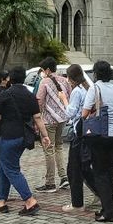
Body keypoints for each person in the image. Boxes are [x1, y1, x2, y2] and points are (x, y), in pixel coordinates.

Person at [0, 66, 51, 216]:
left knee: (11, 169)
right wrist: (45, 136)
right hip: (23, 137)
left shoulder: (5, 95)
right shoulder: (30, 95)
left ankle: (30, 201)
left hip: (8, 136)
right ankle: (1, 202)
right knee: (4, 166)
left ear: (10, 79)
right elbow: (37, 117)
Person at [82, 60, 113, 223]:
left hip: (100, 135)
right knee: (110, 172)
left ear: (96, 73)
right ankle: (106, 207)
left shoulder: (95, 88)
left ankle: (109, 211)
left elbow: (84, 113)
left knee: (99, 173)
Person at [62, 64, 95, 213]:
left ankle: (77, 203)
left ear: (71, 78)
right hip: (88, 131)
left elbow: (70, 112)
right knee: (85, 167)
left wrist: (63, 99)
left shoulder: (76, 91)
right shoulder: (88, 88)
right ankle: (100, 192)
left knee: (73, 169)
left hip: (79, 132)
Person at [36, 57, 71, 192]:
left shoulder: (44, 82)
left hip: (49, 120)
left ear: (48, 70)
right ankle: (64, 177)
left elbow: (39, 101)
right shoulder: (64, 80)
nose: (43, 72)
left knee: (49, 149)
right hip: (62, 119)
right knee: (59, 147)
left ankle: (50, 182)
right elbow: (69, 96)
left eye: (43, 70)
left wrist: (37, 118)